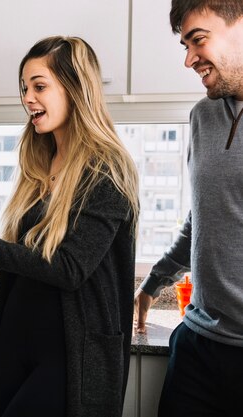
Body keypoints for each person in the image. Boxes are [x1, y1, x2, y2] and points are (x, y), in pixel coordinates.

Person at [0, 36, 139, 417]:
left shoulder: (106, 173)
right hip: (17, 339)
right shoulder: (41, 160)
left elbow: (68, 269)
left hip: (69, 354)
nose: (28, 98)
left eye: (39, 86)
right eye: (24, 88)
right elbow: (33, 254)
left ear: (75, 88)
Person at [133, 1, 243, 415]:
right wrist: (153, 283)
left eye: (198, 39)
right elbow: (204, 217)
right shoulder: (203, 117)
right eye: (184, 44)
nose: (188, 59)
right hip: (198, 348)